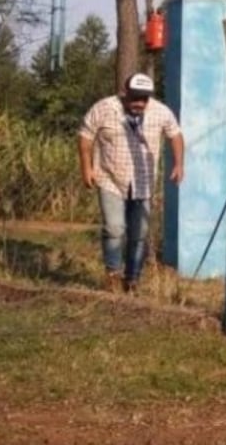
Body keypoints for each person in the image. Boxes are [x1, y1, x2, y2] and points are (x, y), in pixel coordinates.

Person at [78, 72, 184, 294]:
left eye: (144, 98)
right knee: (114, 228)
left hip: (143, 182)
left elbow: (175, 135)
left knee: (139, 234)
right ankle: (113, 276)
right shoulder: (104, 108)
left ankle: (132, 279)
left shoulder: (161, 111)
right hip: (110, 179)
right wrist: (86, 168)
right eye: (135, 98)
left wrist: (178, 164)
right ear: (124, 93)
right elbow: (85, 136)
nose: (139, 103)